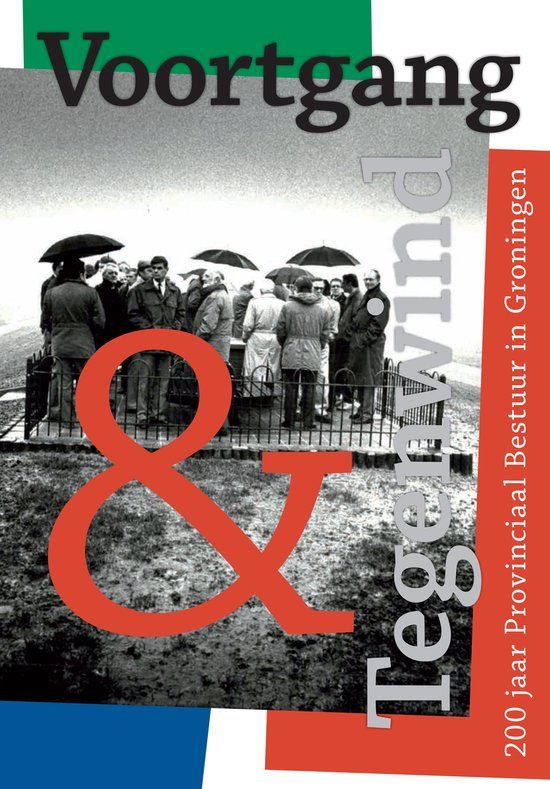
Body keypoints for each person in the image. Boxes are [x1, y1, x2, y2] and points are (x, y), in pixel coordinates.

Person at [41, 257, 105, 426]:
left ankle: (67, 420)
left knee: (64, 383)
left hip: (60, 343)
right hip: (84, 342)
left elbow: (44, 321)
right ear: (80, 273)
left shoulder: (51, 293)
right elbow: (100, 321)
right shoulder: (90, 292)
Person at [127, 255, 185, 427]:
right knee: (144, 381)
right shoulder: (139, 290)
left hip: (167, 343)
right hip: (147, 343)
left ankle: (158, 415)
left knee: (163, 382)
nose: (156, 271)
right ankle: (143, 416)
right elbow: (133, 313)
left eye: (160, 268)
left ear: (166, 269)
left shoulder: (174, 291)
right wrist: (149, 329)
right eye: (153, 268)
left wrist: (174, 329)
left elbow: (181, 314)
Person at [276, 276, 330, 430]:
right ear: (311, 289)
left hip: (291, 349)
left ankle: (289, 421)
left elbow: (280, 330)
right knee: (310, 387)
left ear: (296, 288)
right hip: (313, 350)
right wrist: (318, 346)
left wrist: (287, 343)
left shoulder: (288, 307)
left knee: (291, 387)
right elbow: (325, 334)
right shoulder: (322, 309)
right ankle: (308, 422)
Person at [348, 269, 390, 424]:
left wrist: (362, 340)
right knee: (361, 377)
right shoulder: (369, 296)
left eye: (371, 279)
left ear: (378, 280)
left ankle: (367, 414)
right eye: (366, 279)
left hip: (370, 345)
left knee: (368, 379)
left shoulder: (378, 298)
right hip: (362, 342)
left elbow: (377, 326)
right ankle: (362, 410)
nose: (368, 282)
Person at [242, 279, 284, 385]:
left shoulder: (254, 302)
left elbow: (248, 325)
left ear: (261, 290)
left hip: (256, 337)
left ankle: (254, 391)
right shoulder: (282, 304)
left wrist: (245, 337)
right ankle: (269, 390)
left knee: (255, 367)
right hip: (275, 338)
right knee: (272, 368)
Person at [330, 272, 362, 411]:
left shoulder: (357, 298)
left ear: (349, 283)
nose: (342, 286)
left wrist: (346, 336)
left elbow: (355, 320)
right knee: (341, 368)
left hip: (346, 341)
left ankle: (348, 399)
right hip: (343, 339)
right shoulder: (353, 297)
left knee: (346, 369)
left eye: (342, 283)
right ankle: (344, 397)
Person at [312, 278, 340, 423]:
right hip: (306, 342)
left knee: (322, 375)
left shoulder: (332, 305)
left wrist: (326, 338)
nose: (318, 291)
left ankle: (321, 409)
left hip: (322, 344)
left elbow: (334, 329)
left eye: (321, 288)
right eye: (315, 288)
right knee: (302, 374)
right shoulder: (305, 303)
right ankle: (300, 407)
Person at [193, 270, 233, 362]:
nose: (203, 279)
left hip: (214, 343)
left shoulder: (214, 297)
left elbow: (208, 325)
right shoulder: (223, 294)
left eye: (207, 276)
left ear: (216, 280)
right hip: (220, 343)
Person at [95, 261, 127, 346]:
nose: (114, 275)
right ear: (103, 275)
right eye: (110, 273)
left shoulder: (119, 289)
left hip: (119, 329)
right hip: (105, 330)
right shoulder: (98, 290)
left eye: (116, 273)